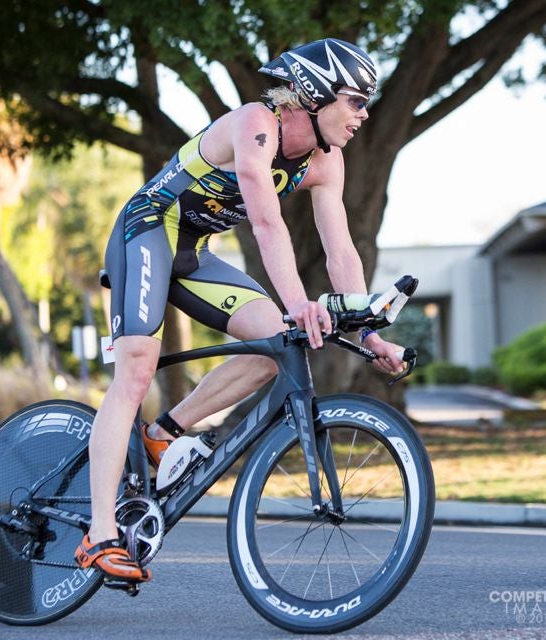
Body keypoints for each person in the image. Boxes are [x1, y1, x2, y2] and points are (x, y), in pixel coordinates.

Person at [74, 38, 406, 583]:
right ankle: (101, 533)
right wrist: (299, 303)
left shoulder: (327, 163)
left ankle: (163, 434)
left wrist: (370, 336)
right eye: (355, 100)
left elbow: (340, 249)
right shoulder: (256, 123)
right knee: (134, 371)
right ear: (317, 94)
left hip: (194, 254)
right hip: (148, 231)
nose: (364, 114)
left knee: (276, 346)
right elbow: (267, 224)